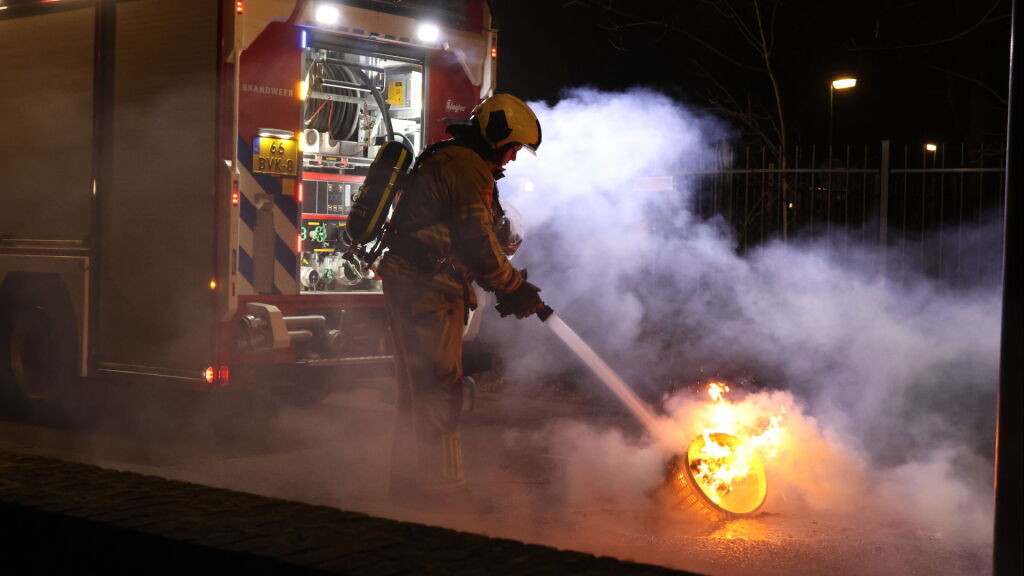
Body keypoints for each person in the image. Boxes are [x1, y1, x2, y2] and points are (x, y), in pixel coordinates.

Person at [378, 93, 545, 502]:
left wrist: (502, 284)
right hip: (428, 288)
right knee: (439, 386)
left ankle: (407, 483)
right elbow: (476, 240)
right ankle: (443, 491)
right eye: (512, 149)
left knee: (419, 387)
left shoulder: (452, 160)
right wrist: (513, 286)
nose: (512, 159)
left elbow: (466, 242)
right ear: (495, 136)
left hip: (416, 281)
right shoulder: (467, 168)